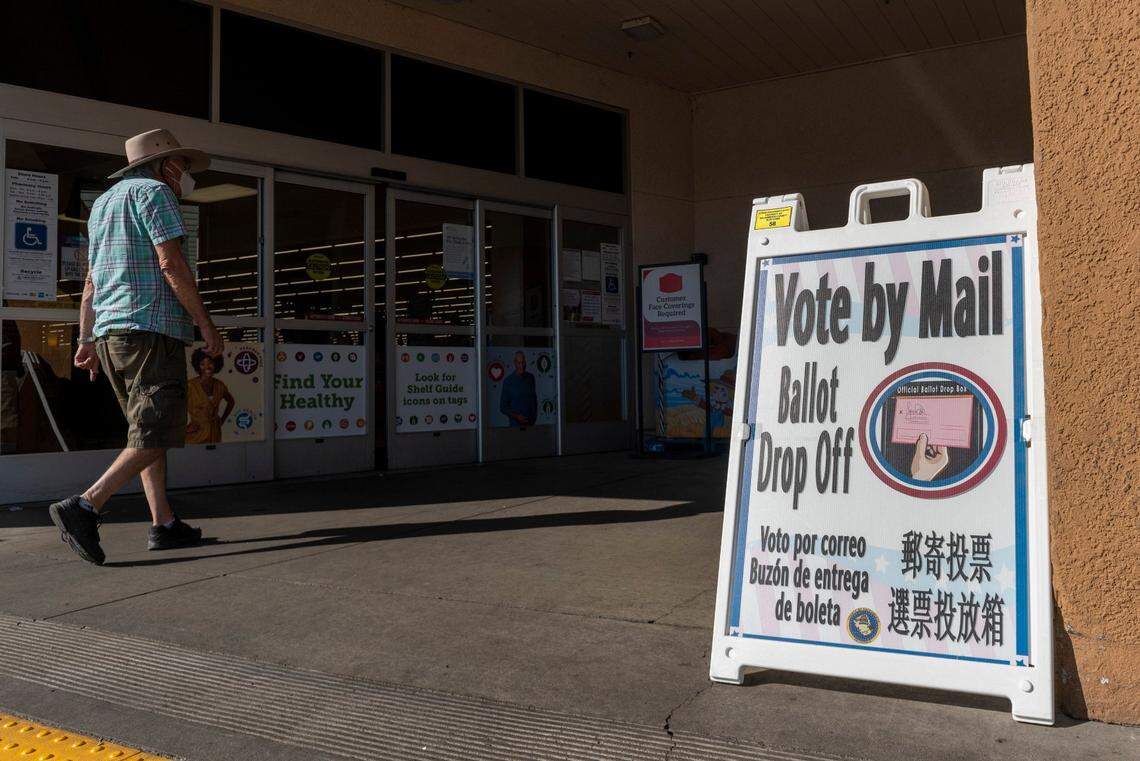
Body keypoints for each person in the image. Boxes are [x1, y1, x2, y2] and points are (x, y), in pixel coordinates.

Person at [49, 129, 222, 564]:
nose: (186, 174)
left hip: (113, 335)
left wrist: (87, 338)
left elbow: (92, 280)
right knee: (158, 428)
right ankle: (85, 504)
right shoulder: (156, 193)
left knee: (144, 430)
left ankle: (164, 523)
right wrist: (205, 324)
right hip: (150, 331)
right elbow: (171, 263)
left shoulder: (103, 204)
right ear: (166, 165)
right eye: (182, 166)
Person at [186, 348, 234, 445]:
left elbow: (231, 402)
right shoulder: (190, 386)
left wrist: (222, 420)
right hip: (196, 435)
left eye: (210, 363)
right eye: (202, 364)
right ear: (198, 366)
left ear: (216, 364)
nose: (207, 367)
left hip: (215, 434)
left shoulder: (220, 385)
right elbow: (175, 407)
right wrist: (183, 428)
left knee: (215, 455)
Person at [499, 351, 537, 427]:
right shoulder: (508, 381)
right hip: (515, 426)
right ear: (515, 363)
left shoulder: (530, 378)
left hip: (530, 426)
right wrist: (517, 416)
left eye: (523, 362)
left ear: (525, 362)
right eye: (519, 363)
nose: (521, 366)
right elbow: (503, 407)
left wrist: (534, 418)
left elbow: (534, 399)